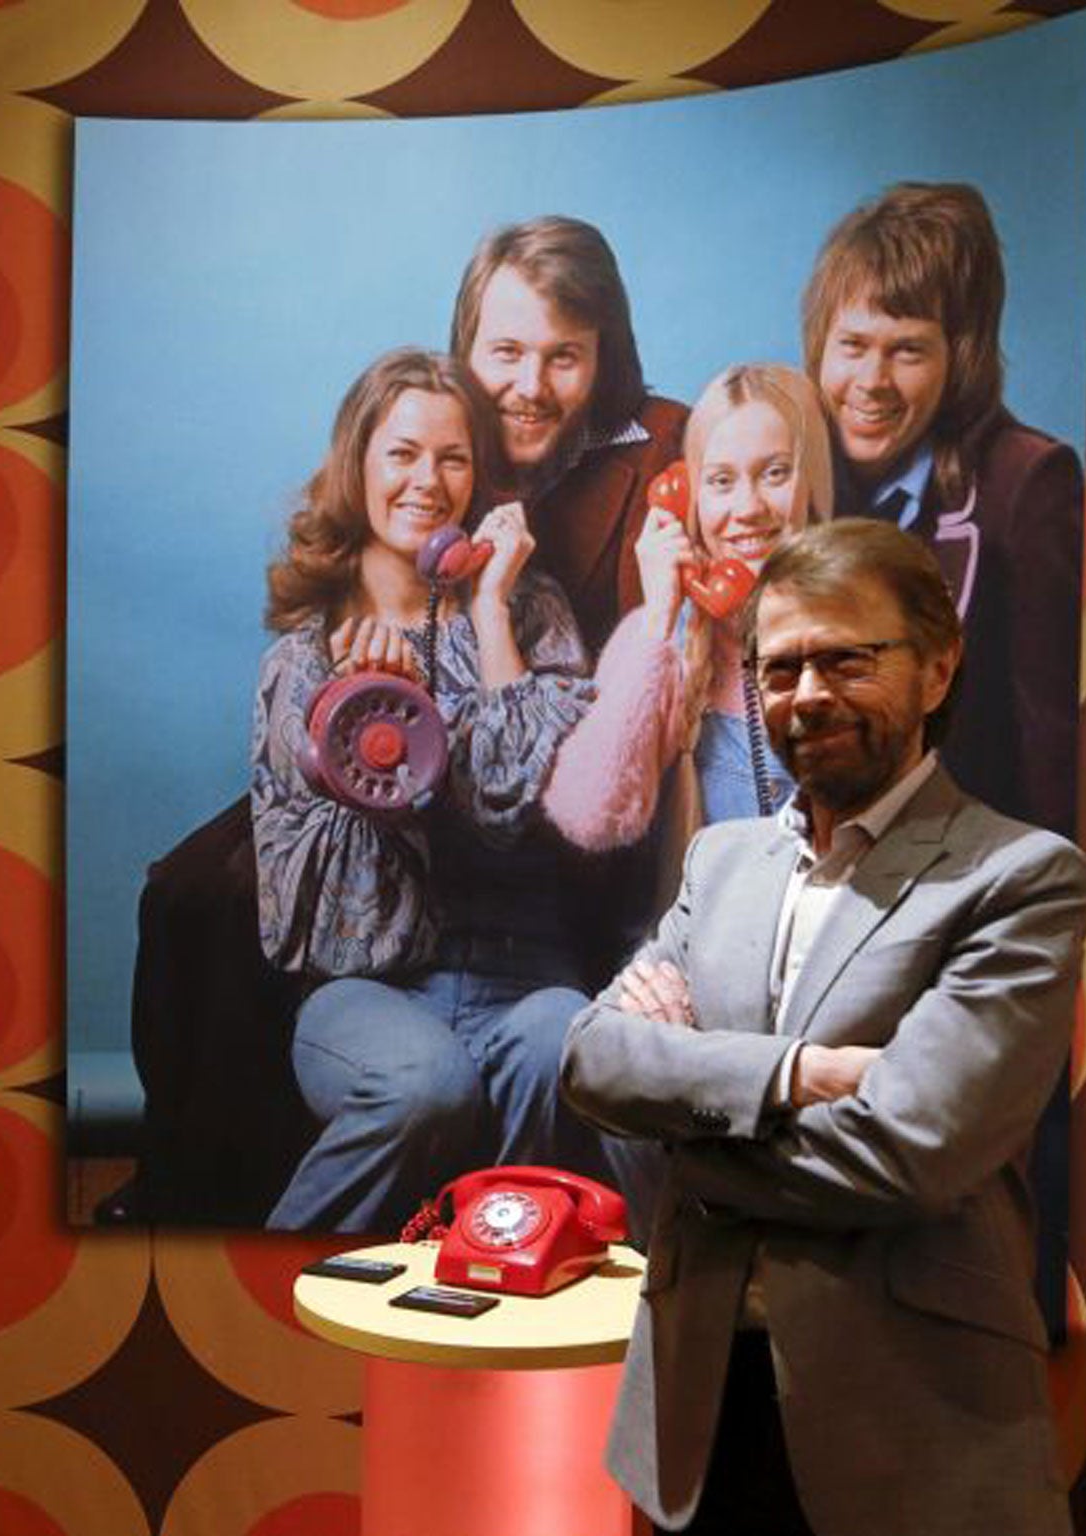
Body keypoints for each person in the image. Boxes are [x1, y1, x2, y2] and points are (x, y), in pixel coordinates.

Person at [562, 519, 1086, 1535]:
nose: (807, 694)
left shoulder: (1015, 878)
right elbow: (592, 1060)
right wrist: (793, 1075)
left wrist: (688, 1142)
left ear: (936, 669)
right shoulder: (718, 864)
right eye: (779, 667)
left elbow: (908, 1153)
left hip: (910, 1429)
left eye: (846, 659)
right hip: (693, 1418)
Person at [251, 347, 629, 1231]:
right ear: (358, 466)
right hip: (373, 991)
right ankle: (268, 1295)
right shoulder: (303, 661)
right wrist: (356, 746)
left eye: (454, 458)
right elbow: (295, 907)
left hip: (525, 977)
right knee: (430, 1081)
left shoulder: (529, 615)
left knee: (564, 1041)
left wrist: (491, 608)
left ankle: (491, 1273)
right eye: (403, 454)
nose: (429, 480)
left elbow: (524, 807)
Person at [803, 182, 1081, 838]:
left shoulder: (1027, 485)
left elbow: (1055, 755)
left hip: (957, 885)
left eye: (907, 350)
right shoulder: (785, 471)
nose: (871, 381)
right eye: (853, 345)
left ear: (959, 360)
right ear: (819, 342)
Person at [543, 363, 831, 856]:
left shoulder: (861, 628)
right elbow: (588, 819)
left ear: (815, 484)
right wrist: (658, 618)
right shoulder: (660, 637)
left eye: (776, 473)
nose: (748, 507)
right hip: (712, 928)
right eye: (721, 481)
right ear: (689, 496)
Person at [452, 216, 687, 652]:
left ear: (604, 359)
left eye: (563, 357)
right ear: (465, 351)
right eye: (507, 352)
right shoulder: (425, 446)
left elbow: (666, 669)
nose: (530, 388)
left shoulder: (667, 447)